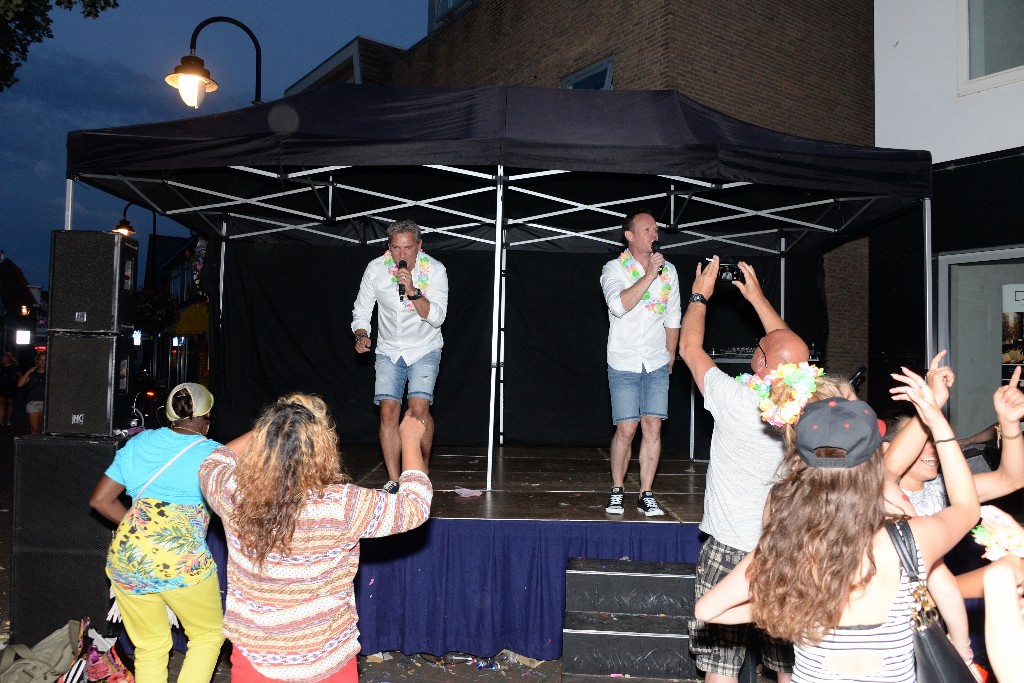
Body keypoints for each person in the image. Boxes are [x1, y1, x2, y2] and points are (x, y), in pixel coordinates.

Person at [694, 369, 981, 682]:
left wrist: (782, 611)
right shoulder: (907, 540)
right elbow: (967, 507)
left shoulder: (787, 544)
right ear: (875, 462)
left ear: (802, 466)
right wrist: (935, 419)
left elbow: (707, 611)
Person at [199, 394, 432, 682]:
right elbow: (416, 505)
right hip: (328, 663)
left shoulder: (233, 494)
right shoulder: (341, 506)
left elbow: (215, 460)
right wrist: (409, 440)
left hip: (256, 662)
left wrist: (279, 424)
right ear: (322, 448)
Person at [678, 255, 810, 683]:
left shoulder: (738, 402)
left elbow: (689, 349)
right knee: (789, 667)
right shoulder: (812, 408)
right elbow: (789, 350)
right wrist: (756, 297)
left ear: (760, 364)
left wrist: (700, 294)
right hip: (785, 549)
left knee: (720, 668)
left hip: (731, 548)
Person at [89, 383, 224, 683]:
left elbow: (100, 500)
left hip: (129, 556)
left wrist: (144, 528)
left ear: (169, 414)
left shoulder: (138, 443)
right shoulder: (215, 456)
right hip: (181, 560)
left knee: (150, 646)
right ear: (207, 417)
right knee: (207, 636)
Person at [351, 219, 449, 493]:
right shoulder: (375, 270)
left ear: (419, 246)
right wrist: (361, 334)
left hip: (424, 348)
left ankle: (421, 470)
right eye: (396, 248)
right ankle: (395, 479)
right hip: (389, 350)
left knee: (418, 411)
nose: (402, 255)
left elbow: (438, 317)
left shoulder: (436, 271)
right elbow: (361, 309)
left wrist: (413, 291)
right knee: (388, 412)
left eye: (408, 248)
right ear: (389, 247)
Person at [599, 211, 681, 516]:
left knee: (653, 426)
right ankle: (618, 489)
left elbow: (673, 317)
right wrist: (648, 275)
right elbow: (618, 306)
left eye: (656, 229)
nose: (654, 234)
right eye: (647, 229)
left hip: (656, 361)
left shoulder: (669, 271)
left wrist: (671, 355)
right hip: (623, 361)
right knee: (627, 429)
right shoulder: (613, 269)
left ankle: (646, 492)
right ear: (629, 235)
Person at [17, 350, 46, 434]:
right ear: (37, 360)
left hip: (46, 404)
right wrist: (28, 371)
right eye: (41, 359)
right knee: (34, 430)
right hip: (33, 403)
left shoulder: (50, 373)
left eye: (45, 359)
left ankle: (44, 446)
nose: (43, 362)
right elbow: (19, 384)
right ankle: (36, 446)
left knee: (44, 430)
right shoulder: (32, 373)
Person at [0, 351, 19, 426]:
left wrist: (18, 383)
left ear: (8, 358)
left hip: (10, 386)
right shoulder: (1, 366)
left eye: (4, 357)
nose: (3, 358)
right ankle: (1, 420)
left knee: (10, 404)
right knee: (1, 403)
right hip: (1, 386)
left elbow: (19, 375)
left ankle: (8, 419)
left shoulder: (14, 367)